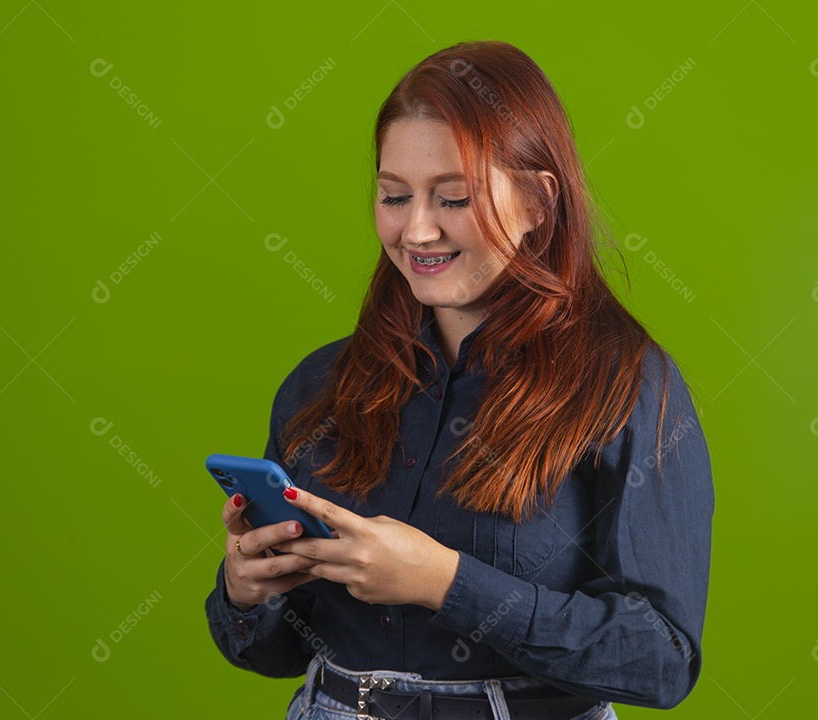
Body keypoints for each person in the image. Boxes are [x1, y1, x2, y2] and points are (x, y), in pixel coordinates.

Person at [206, 39, 714, 720]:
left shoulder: (626, 386)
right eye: (394, 196)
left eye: (452, 197)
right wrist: (248, 591)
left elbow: (659, 660)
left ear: (537, 201)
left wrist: (444, 582)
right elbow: (271, 654)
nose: (416, 230)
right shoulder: (321, 386)